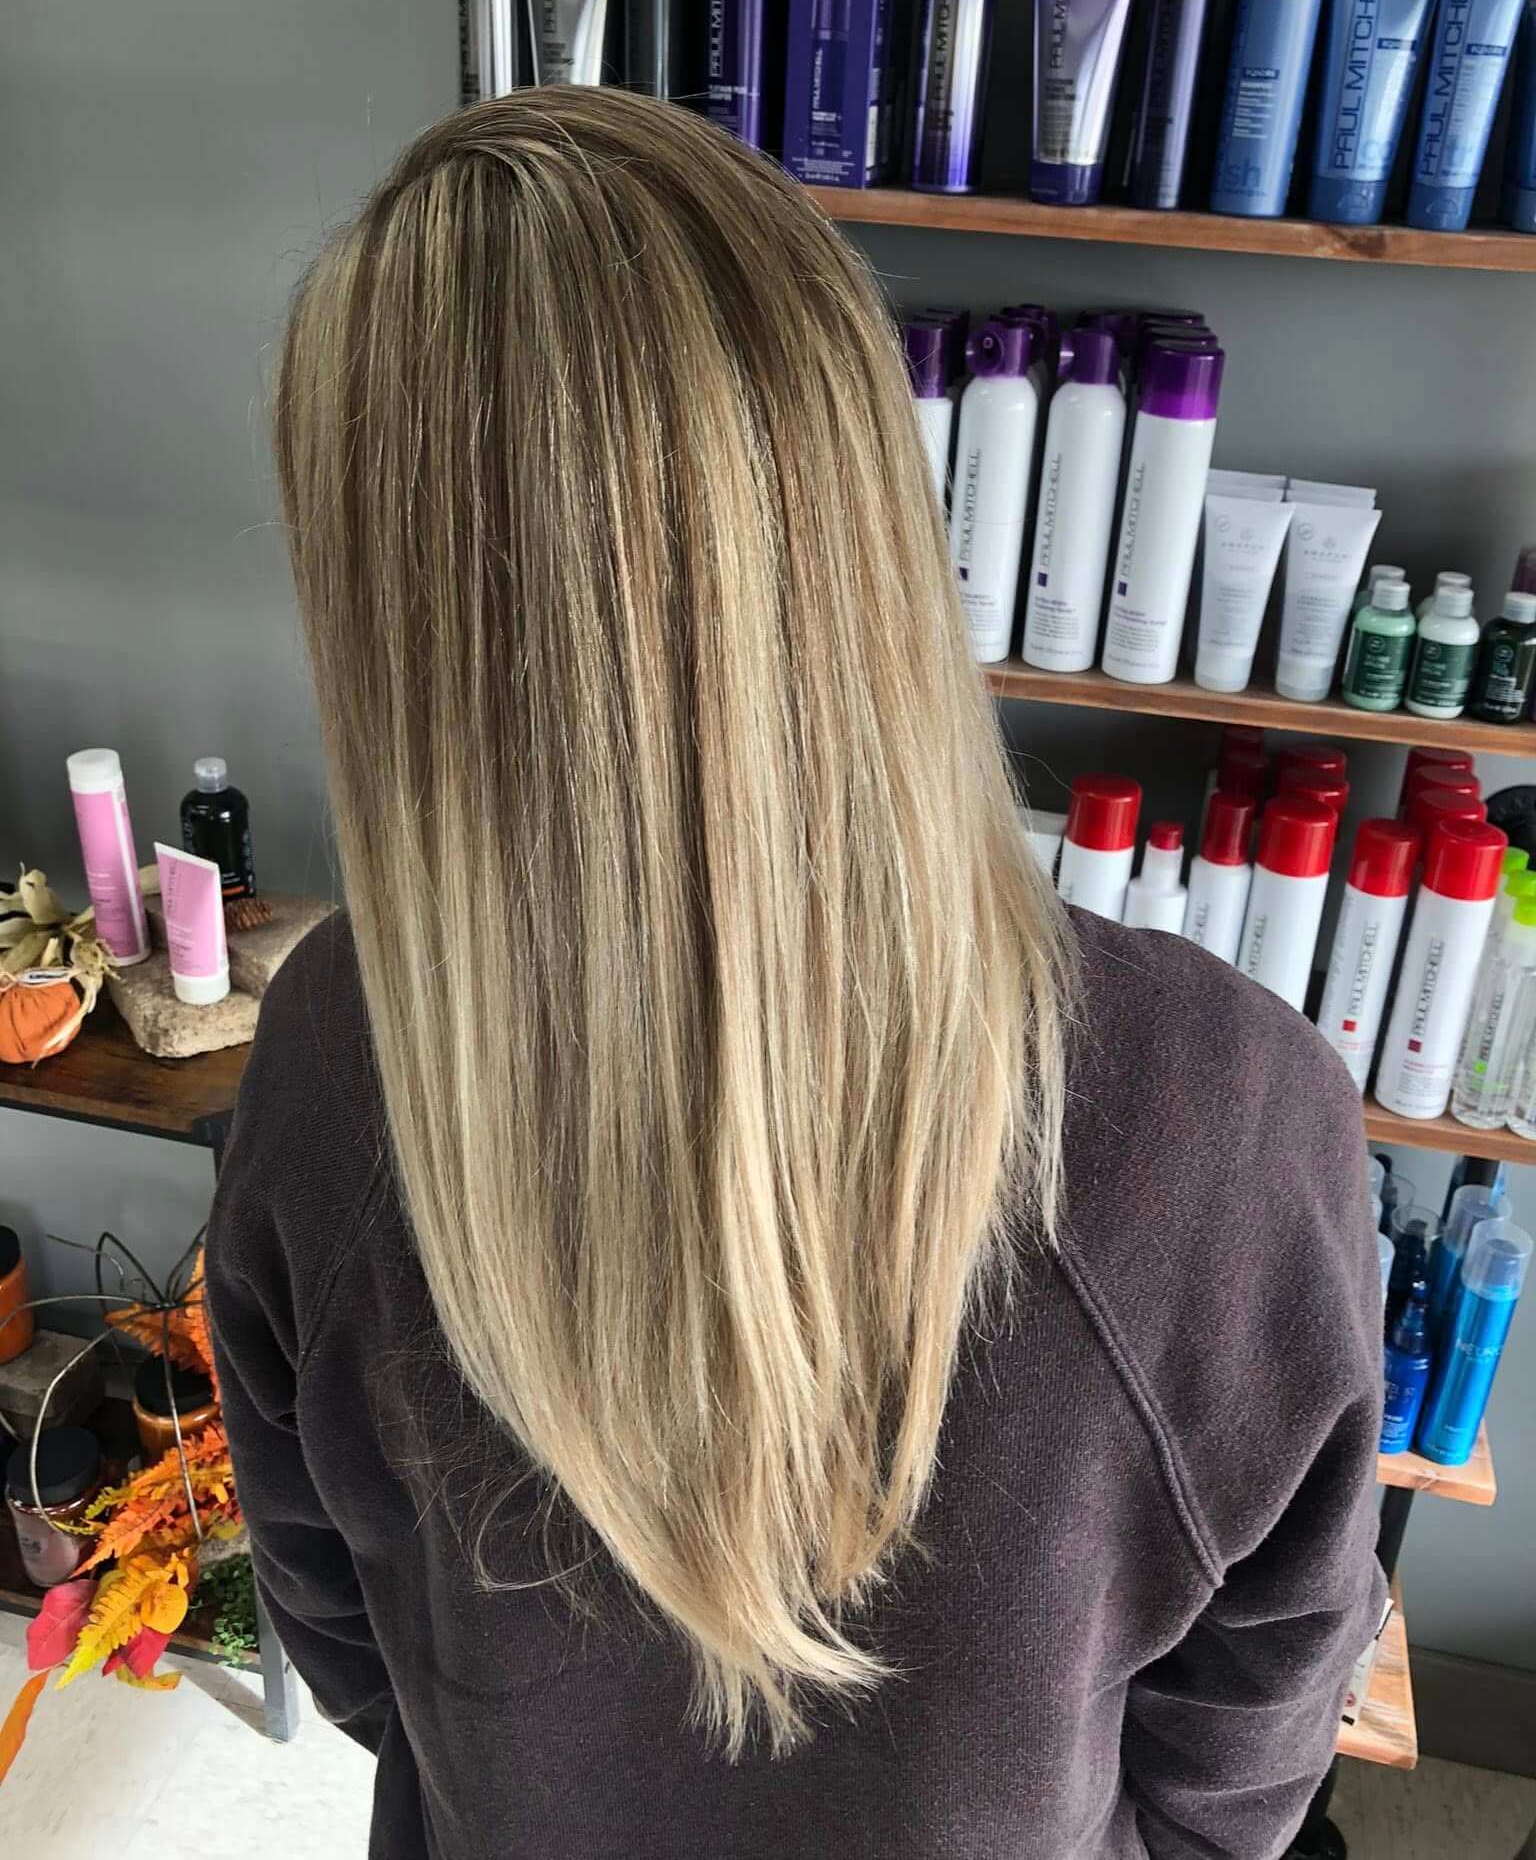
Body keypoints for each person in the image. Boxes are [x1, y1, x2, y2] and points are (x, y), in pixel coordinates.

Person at [208, 89, 1385, 1860]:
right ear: (863, 507)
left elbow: (348, 1647)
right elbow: (1244, 1775)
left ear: (395, 625)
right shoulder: (1229, 1113)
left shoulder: (327, 1051)